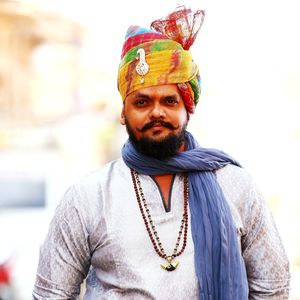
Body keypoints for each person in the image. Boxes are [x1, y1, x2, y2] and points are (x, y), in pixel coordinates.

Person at [32, 7, 290, 300]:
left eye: (169, 100)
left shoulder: (235, 186)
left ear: (187, 110)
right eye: (141, 102)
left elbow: (273, 289)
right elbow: (50, 294)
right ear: (123, 112)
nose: (156, 111)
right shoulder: (87, 198)